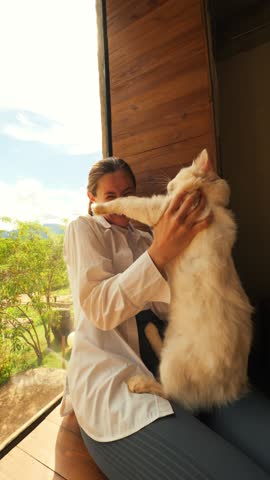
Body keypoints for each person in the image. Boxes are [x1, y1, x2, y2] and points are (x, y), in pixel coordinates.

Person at [60, 157, 270, 479]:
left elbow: (171, 308)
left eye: (127, 192)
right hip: (115, 385)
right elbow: (100, 309)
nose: (119, 204)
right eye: (110, 196)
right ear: (93, 199)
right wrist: (160, 253)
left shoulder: (146, 238)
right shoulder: (85, 229)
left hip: (181, 368)